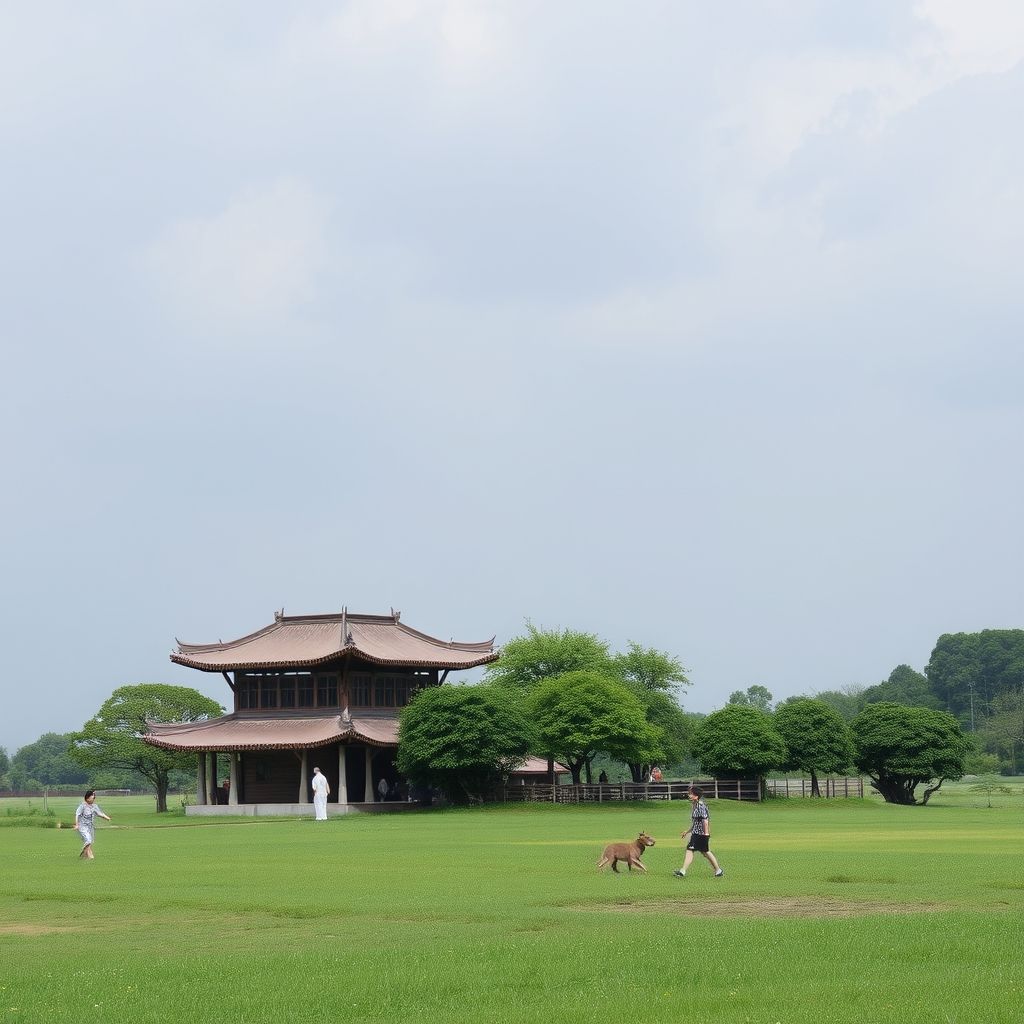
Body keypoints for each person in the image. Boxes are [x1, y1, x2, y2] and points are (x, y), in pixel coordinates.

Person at [673, 786, 723, 878]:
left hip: (701, 834)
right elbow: (696, 822)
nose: (689, 795)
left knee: (695, 850)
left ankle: (683, 871)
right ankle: (718, 870)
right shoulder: (695, 805)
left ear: (696, 796)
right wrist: (687, 831)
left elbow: (705, 820)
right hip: (696, 833)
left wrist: (705, 835)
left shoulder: (700, 806)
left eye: (691, 794)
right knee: (703, 852)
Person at [74, 790, 111, 860]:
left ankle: (86, 855)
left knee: (90, 842)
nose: (94, 799)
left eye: (94, 798)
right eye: (92, 798)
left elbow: (100, 813)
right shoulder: (82, 806)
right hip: (83, 827)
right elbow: (77, 815)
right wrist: (77, 825)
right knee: (88, 840)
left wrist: (107, 818)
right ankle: (85, 852)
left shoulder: (94, 806)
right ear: (87, 798)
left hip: (90, 827)